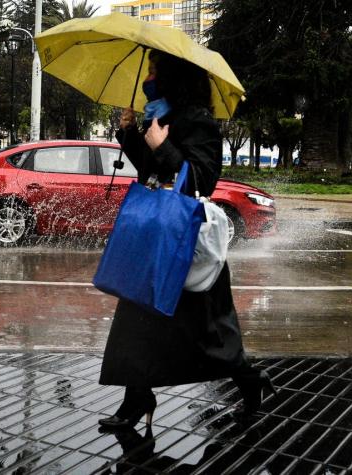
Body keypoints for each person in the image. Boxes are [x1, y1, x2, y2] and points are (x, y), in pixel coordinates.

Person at [98, 50, 275, 430]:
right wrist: (132, 133)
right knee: (135, 320)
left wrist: (163, 145)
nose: (149, 75)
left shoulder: (198, 120)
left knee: (207, 334)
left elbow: (202, 180)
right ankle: (137, 397)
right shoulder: (158, 115)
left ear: (173, 76)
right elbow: (150, 169)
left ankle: (249, 380)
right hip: (157, 237)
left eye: (155, 69)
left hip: (186, 244)